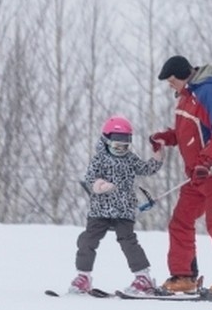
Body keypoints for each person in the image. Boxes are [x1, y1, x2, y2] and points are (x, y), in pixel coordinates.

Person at [150, 55, 212, 296]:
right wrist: (168, 137)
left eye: (171, 80)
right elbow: (191, 133)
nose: (170, 85)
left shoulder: (209, 92)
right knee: (180, 221)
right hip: (198, 174)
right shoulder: (186, 98)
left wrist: (207, 161)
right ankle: (184, 275)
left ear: (183, 75)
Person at [70, 115, 164, 296]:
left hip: (124, 209)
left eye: (125, 146)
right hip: (100, 209)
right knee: (88, 240)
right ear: (106, 141)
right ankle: (83, 276)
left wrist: (157, 157)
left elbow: (146, 169)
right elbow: (90, 177)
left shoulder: (130, 159)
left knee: (127, 240)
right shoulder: (99, 159)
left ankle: (143, 277)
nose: (121, 150)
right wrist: (99, 185)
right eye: (116, 146)